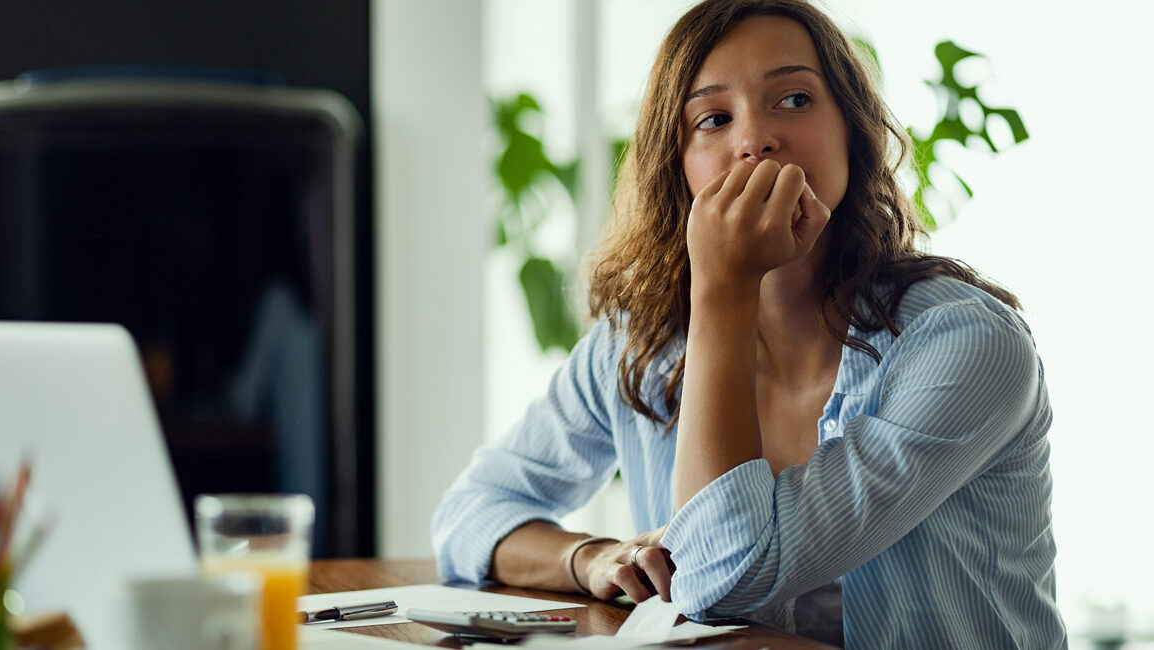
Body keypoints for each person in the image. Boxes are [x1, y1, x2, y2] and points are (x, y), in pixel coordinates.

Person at [432, 0, 1065, 647]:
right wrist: (589, 558)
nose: (755, 139)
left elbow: (721, 581)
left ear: (852, 130)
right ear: (677, 163)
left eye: (794, 100)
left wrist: (723, 289)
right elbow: (469, 515)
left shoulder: (966, 345)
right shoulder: (640, 346)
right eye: (713, 118)